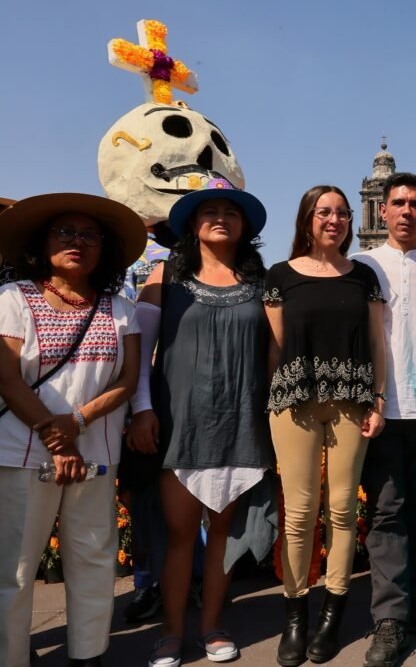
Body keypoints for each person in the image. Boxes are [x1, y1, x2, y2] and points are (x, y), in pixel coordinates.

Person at [130, 182, 274, 667]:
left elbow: (275, 355)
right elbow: (139, 351)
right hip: (179, 423)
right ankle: (170, 633)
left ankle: (213, 626)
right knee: (179, 536)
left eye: (230, 212)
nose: (219, 218)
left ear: (244, 227)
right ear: (192, 224)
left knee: (225, 534)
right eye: (208, 211)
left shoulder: (261, 282)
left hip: (241, 424)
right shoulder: (164, 274)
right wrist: (142, 409)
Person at [0, 193, 146, 667]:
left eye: (89, 235)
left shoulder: (120, 308)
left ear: (104, 248)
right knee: (17, 568)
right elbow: (6, 378)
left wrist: (76, 422)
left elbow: (127, 380)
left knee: (93, 559)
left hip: (97, 450)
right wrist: (54, 435)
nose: (76, 243)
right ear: (44, 243)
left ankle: (89, 655)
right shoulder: (12, 299)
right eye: (65, 233)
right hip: (22, 451)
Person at [266, 184, 387, 666]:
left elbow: (376, 343)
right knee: (298, 512)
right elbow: (274, 349)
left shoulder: (363, 277)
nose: (333, 220)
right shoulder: (280, 276)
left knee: (340, 509)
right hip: (294, 402)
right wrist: (268, 401)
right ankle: (295, 615)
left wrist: (377, 400)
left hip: (352, 403)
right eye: (323, 212)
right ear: (307, 219)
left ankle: (332, 612)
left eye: (340, 213)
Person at [351, 172, 416, 667]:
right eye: (398, 203)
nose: (407, 211)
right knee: (388, 511)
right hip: (381, 411)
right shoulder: (362, 265)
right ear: (382, 210)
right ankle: (388, 620)